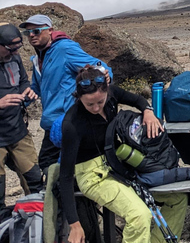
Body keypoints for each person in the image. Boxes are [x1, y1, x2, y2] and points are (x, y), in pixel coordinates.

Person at [59, 65, 187, 243]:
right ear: (79, 97)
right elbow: (64, 176)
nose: (96, 108)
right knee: (139, 215)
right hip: (92, 176)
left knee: (177, 199)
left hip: (119, 165)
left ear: (106, 92)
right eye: (89, 104)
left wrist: (148, 111)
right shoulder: (72, 124)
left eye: (100, 102)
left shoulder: (111, 93)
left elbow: (137, 99)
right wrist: (74, 224)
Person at [20, 14, 112, 172]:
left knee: (51, 162)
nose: (31, 36)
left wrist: (105, 74)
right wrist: (20, 101)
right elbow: (36, 87)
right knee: (57, 164)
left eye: (36, 31)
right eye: (27, 33)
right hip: (51, 122)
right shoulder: (37, 58)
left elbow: (99, 66)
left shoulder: (64, 48)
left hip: (67, 119)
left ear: (50, 30)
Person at [0, 23, 44, 209]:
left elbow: (22, 81)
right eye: (11, 48)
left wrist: (27, 91)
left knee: (35, 180)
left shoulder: (14, 59)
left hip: (17, 131)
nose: (17, 52)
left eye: (19, 47)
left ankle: (38, 226)